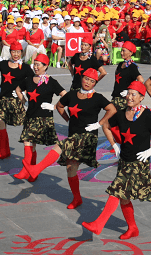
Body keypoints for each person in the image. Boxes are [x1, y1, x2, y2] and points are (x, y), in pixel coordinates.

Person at [83, 80, 151, 238]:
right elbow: (106, 126)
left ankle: (98, 224)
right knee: (123, 198)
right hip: (124, 160)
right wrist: (114, 144)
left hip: (138, 163)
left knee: (116, 191)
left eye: (133, 94)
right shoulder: (121, 114)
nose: (129, 97)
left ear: (141, 97)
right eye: (128, 93)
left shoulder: (147, 115)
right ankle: (133, 228)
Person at [26, 68, 117, 209]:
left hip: (87, 137)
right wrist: (68, 120)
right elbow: (60, 106)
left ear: (95, 83)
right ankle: (77, 198)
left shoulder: (98, 98)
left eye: (92, 81)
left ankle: (36, 169)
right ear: (82, 78)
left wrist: (98, 124)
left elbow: (112, 109)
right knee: (70, 168)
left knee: (61, 145)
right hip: (74, 135)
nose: (88, 82)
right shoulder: (72, 94)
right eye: (86, 79)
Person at [11, 54, 66, 181]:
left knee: (28, 142)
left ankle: (26, 171)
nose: (35, 67)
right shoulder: (28, 79)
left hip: (44, 118)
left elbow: (66, 96)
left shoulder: (51, 82)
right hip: (30, 115)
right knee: (30, 143)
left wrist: (54, 106)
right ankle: (31, 171)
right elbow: (18, 90)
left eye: (38, 65)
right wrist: (24, 101)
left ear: (45, 66)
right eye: (34, 64)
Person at [0, 41, 33, 159]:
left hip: (17, 100)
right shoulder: (3, 64)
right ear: (10, 52)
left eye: (18, 52)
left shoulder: (25, 67)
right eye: (13, 51)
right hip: (3, 99)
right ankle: (4, 149)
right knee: (0, 121)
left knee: (26, 124)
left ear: (21, 53)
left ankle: (30, 154)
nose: (16, 54)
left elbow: (33, 81)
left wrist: (23, 92)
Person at [110, 42, 142, 111]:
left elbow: (141, 80)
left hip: (124, 100)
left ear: (130, 53)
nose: (121, 53)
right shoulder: (121, 64)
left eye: (124, 51)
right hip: (115, 97)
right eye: (121, 50)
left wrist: (129, 91)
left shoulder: (132, 66)